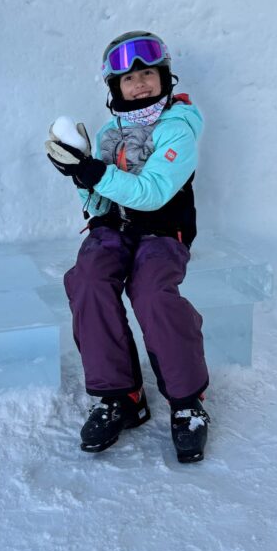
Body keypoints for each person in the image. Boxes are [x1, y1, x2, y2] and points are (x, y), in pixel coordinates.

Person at [46, 31, 211, 463]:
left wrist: (94, 172)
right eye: (128, 79)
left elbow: (153, 192)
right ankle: (121, 396)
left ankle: (187, 402)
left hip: (162, 231)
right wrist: (80, 177)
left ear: (164, 77)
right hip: (112, 230)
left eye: (147, 74)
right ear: (114, 88)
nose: (139, 84)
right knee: (88, 280)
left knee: (152, 291)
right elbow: (101, 200)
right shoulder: (109, 132)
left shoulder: (178, 128)